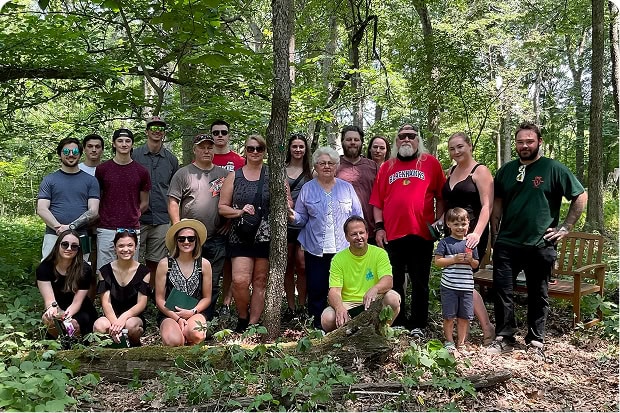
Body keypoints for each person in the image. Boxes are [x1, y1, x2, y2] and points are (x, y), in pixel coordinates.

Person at [488, 122, 586, 357]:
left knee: (538, 292)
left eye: (529, 141)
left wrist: (565, 228)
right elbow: (497, 203)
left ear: (539, 142)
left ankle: (535, 341)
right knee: (503, 291)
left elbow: (580, 195)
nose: (525, 145)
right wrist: (495, 237)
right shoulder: (507, 170)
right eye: (520, 141)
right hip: (507, 243)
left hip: (540, 244)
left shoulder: (553, 168)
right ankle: (504, 336)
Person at [370, 124, 445, 337]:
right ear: (396, 141)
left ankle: (419, 324)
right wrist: (379, 227)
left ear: (417, 139)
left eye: (411, 136)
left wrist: (439, 220)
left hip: (421, 233)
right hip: (393, 234)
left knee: (420, 280)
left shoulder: (430, 163)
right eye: (401, 136)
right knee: (394, 280)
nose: (406, 139)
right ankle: (398, 321)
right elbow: (377, 202)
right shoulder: (387, 167)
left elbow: (441, 196)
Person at [288, 146, 363, 329]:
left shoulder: (347, 188)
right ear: (316, 166)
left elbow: (357, 216)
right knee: (317, 289)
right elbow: (301, 218)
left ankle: (344, 325)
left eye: (331, 163)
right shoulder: (307, 188)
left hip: (344, 250)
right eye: (322, 163)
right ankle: (318, 328)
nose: (327, 166)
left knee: (343, 289)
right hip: (316, 250)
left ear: (336, 166)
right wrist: (291, 215)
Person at [168, 134, 230, 320]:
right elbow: (173, 201)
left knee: (213, 281)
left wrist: (228, 222)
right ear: (194, 149)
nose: (206, 150)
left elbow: (231, 201)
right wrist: (178, 229)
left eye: (209, 147)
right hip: (189, 239)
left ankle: (205, 319)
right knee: (187, 279)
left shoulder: (224, 174)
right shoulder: (183, 173)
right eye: (202, 147)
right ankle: (181, 317)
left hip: (216, 237)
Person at [442, 131, 495, 344]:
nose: (456, 152)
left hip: (471, 235)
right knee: (457, 280)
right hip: (451, 235)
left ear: (470, 146)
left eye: (460, 147)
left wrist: (477, 233)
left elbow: (487, 206)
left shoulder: (480, 171)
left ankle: (486, 326)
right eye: (452, 148)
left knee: (465, 282)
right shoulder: (451, 171)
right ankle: (475, 327)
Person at [219, 135, 271, 332]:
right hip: (240, 234)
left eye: (259, 148)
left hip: (265, 234)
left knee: (260, 280)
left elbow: (286, 202)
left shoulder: (272, 175)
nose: (255, 152)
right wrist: (239, 212)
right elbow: (222, 207)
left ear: (264, 151)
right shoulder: (234, 176)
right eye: (251, 148)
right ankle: (242, 315)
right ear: (245, 151)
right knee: (240, 281)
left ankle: (252, 325)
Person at [321, 216, 400, 332]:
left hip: (373, 302)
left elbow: (388, 280)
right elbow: (334, 291)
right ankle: (347, 339)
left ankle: (381, 332)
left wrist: (375, 288)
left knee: (393, 298)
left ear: (367, 234)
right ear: (347, 237)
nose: (359, 237)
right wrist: (339, 307)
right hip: (348, 304)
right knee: (327, 318)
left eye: (361, 233)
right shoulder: (338, 259)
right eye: (354, 234)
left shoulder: (379, 253)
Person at [95, 128, 151, 271]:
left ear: (132, 144)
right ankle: (106, 295)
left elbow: (144, 202)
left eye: (128, 141)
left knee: (129, 271)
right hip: (106, 228)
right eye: (120, 141)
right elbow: (97, 198)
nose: (124, 144)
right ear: (114, 144)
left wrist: (133, 216)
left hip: (131, 228)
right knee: (105, 272)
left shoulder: (141, 171)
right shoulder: (102, 169)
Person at [37, 137, 100, 259]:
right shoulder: (49, 180)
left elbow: (93, 211)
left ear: (80, 154)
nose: (71, 155)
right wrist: (59, 228)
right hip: (53, 235)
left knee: (81, 272)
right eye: (66, 152)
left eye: (75, 152)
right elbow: (42, 209)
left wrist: (71, 227)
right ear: (60, 155)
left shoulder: (91, 181)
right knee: (49, 271)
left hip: (82, 236)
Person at [133, 116, 179, 279]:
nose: (157, 131)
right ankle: (134, 293)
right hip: (137, 217)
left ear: (164, 133)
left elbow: (174, 190)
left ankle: (151, 292)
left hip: (161, 217)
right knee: (133, 258)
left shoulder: (171, 160)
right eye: (153, 128)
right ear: (146, 131)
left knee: (156, 260)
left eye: (160, 128)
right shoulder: (134, 155)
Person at [155, 219, 212, 346]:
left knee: (196, 334)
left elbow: (207, 298)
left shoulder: (204, 264)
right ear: (176, 241)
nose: (186, 242)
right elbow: (159, 299)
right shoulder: (165, 264)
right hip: (169, 314)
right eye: (182, 239)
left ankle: (191, 352)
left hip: (195, 312)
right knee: (174, 341)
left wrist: (192, 311)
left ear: (196, 240)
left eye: (191, 239)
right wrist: (178, 318)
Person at [210, 119, 244, 319]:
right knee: (209, 265)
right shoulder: (205, 156)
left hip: (231, 223)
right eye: (216, 133)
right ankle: (207, 302)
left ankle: (226, 303)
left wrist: (230, 220)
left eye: (223, 132)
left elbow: (245, 192)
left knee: (230, 265)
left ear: (229, 135)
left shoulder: (239, 161)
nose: (220, 136)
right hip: (208, 223)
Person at [36, 230, 98, 338]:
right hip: (57, 307)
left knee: (72, 324)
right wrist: (54, 311)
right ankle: (61, 343)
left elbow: (77, 303)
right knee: (47, 319)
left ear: (78, 250)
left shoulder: (85, 270)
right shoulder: (44, 268)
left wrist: (66, 317)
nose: (69, 248)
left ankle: (75, 346)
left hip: (80, 310)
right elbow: (49, 300)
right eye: (65, 244)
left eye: (74, 246)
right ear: (58, 245)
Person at [93, 229, 150, 346]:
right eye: (121, 246)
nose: (125, 249)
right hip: (111, 316)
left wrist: (123, 318)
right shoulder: (105, 271)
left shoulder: (144, 272)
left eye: (130, 245)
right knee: (99, 326)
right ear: (115, 248)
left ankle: (134, 347)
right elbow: (106, 302)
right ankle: (109, 350)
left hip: (133, 317)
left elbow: (141, 304)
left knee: (131, 326)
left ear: (135, 247)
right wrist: (116, 324)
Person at [434, 208, 479, 353]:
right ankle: (449, 342)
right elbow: (437, 262)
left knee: (464, 317)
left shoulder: (470, 243)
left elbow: (476, 264)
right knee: (449, 316)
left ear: (468, 225)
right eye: (456, 224)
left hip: (466, 287)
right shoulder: (445, 243)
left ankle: (461, 343)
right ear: (448, 224)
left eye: (463, 224)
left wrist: (471, 260)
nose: (460, 227)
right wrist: (453, 259)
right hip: (449, 286)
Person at [283, 134, 313, 320]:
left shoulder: (312, 172)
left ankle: (302, 305)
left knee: (302, 265)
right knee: (287, 265)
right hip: (285, 224)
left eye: (301, 146)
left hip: (305, 223)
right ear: (289, 148)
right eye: (294, 146)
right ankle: (291, 307)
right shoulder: (281, 170)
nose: (298, 150)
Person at [336, 125, 378, 243]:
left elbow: (381, 197)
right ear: (342, 142)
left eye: (356, 140)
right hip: (341, 231)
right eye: (349, 140)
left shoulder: (372, 166)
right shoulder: (334, 165)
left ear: (361, 142)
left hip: (369, 229)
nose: (353, 143)